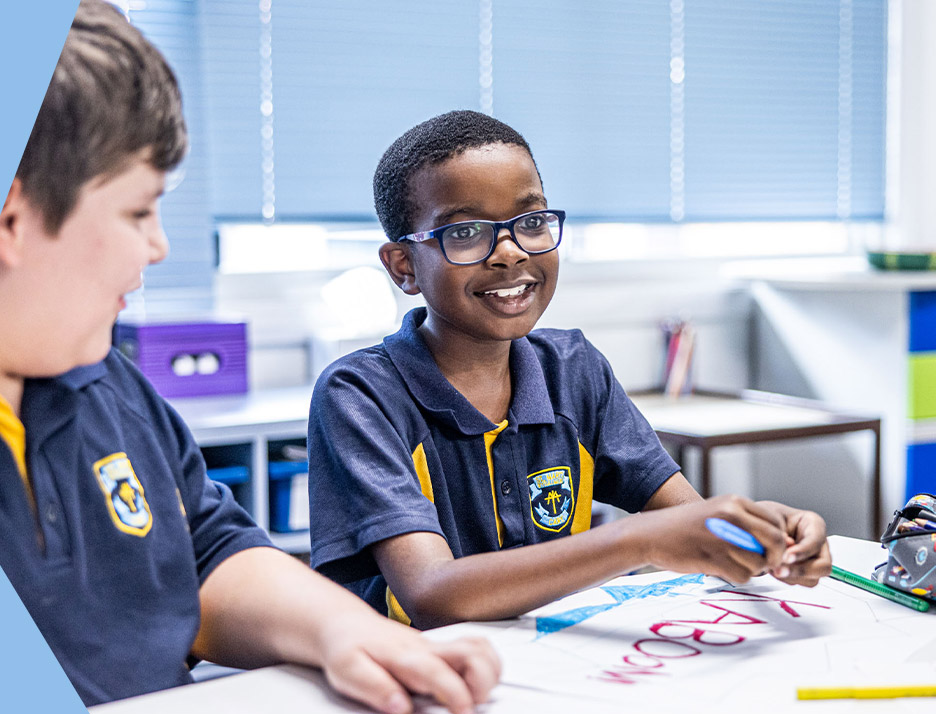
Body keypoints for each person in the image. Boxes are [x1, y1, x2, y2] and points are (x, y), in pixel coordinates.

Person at [0, 5, 500, 711]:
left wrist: (343, 631)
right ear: (9, 218)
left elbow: (205, 553)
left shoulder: (106, 382)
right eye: (139, 211)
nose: (160, 246)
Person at [306, 110, 834, 630]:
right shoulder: (358, 396)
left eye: (531, 222)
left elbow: (694, 522)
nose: (509, 252)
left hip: (554, 665)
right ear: (404, 266)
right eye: (465, 232)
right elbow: (432, 595)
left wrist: (765, 533)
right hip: (413, 679)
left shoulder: (574, 371)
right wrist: (640, 539)